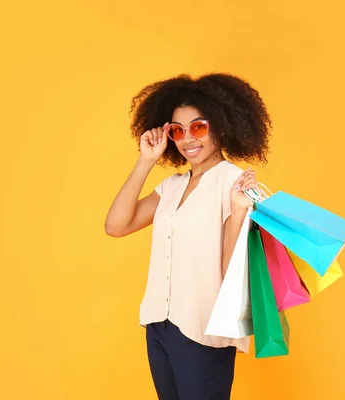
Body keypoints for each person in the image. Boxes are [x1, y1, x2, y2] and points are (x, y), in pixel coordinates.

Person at [105, 73, 271, 400]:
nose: (187, 139)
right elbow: (116, 226)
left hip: (202, 327)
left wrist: (239, 212)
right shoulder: (172, 186)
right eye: (177, 131)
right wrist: (146, 160)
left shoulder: (234, 184)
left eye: (198, 127)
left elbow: (231, 273)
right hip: (159, 323)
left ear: (221, 126)